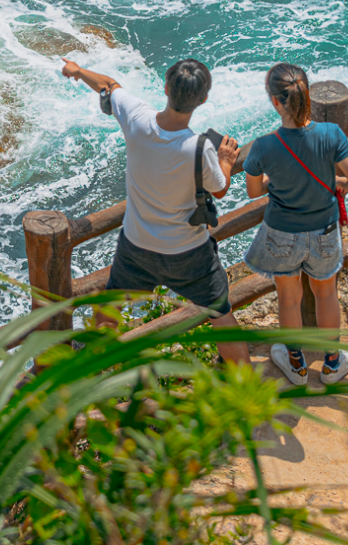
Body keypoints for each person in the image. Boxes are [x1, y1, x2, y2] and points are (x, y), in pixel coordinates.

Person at [60, 56, 250, 366]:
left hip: (138, 248)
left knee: (109, 310)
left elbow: (108, 86)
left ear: (165, 87)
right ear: (202, 99)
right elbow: (219, 187)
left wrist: (78, 71)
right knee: (221, 316)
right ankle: (245, 391)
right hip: (189, 252)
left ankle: (83, 375)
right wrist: (227, 159)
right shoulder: (199, 148)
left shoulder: (137, 118)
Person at [242, 62, 348, 386]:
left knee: (288, 298)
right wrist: (337, 181)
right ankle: (332, 364)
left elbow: (255, 191)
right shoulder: (331, 134)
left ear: (275, 101)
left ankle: (296, 366)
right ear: (307, 95)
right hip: (324, 231)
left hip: (282, 232)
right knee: (326, 294)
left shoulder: (264, 146)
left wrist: (276, 178)